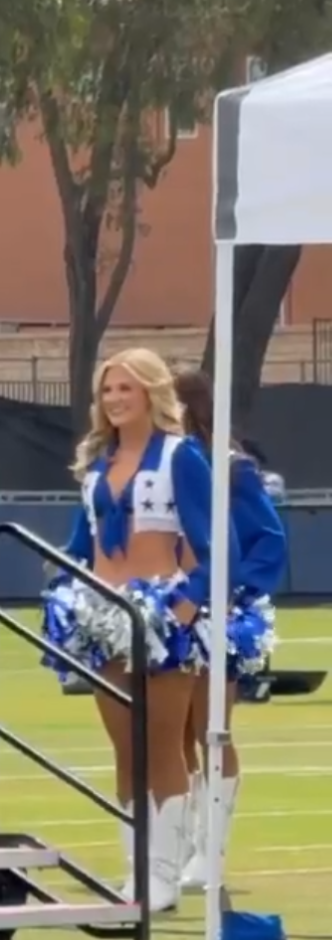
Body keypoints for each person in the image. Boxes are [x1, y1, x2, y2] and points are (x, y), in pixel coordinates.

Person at [39, 348, 234, 913]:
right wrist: (64, 583)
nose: (116, 400)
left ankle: (165, 876)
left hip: (161, 610)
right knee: (125, 748)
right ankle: (136, 868)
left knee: (164, 743)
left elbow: (211, 542)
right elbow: (85, 540)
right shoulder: (96, 464)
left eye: (126, 389)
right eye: (107, 391)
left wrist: (188, 605)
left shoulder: (181, 458)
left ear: (151, 392)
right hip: (104, 611)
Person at [172, 369, 286, 892]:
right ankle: (174, 842)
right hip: (165, 608)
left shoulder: (231, 469)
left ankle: (208, 848)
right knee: (169, 732)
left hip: (219, 611)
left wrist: (232, 592)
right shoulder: (152, 466)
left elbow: (267, 539)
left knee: (208, 728)